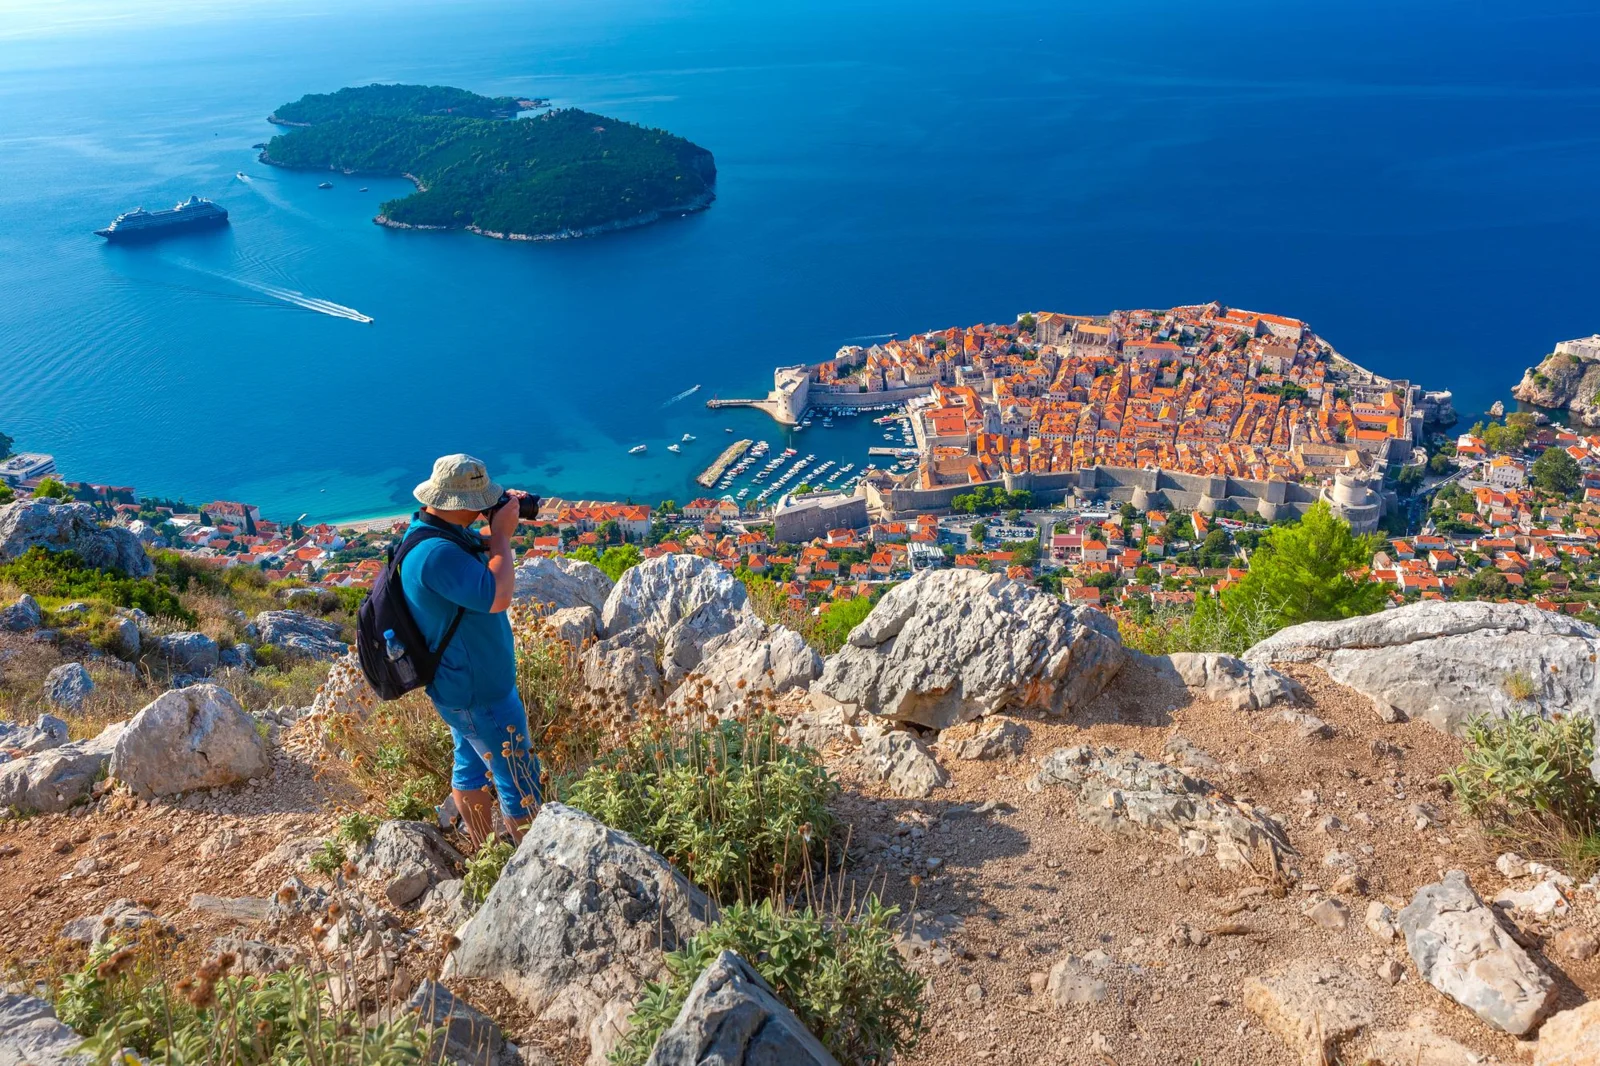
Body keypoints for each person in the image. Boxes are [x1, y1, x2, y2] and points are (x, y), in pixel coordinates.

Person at [400, 454, 540, 845]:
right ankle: (528, 863)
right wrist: (502, 535)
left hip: (460, 686)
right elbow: (498, 596)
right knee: (519, 779)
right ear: (464, 505)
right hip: (481, 693)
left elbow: (468, 557)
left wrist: (494, 524)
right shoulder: (436, 554)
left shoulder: (431, 531)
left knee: (469, 766)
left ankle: (483, 851)